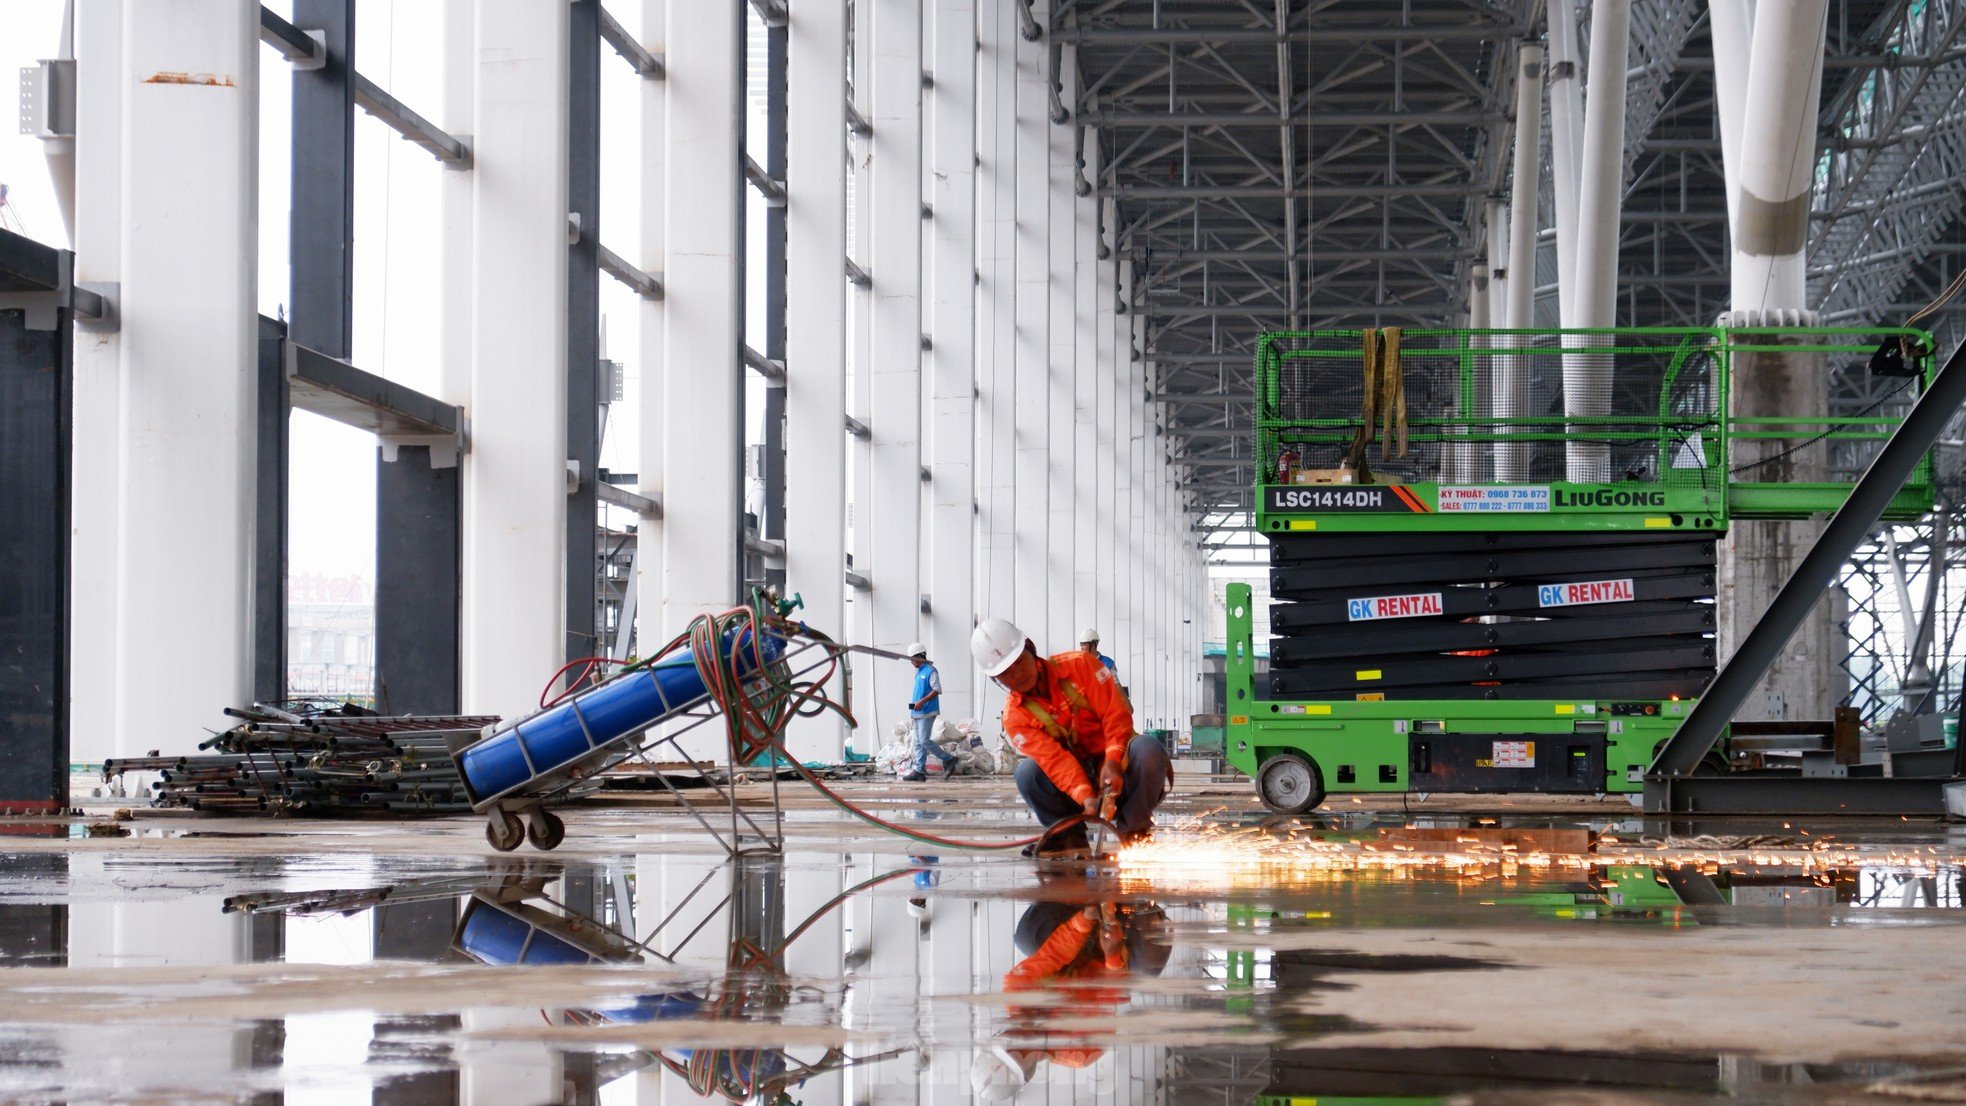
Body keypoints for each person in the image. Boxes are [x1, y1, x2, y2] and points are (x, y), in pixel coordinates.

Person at [970, 618, 1171, 855]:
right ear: (997, 680)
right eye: (1006, 674)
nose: (1018, 675)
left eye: (1019, 662)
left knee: (1147, 750)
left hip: (1121, 768)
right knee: (1027, 774)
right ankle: (1068, 838)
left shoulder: (1081, 666)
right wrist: (1086, 797)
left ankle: (1135, 833)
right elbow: (1055, 762)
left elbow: (1115, 715)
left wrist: (1114, 760)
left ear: (1030, 650)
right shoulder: (1016, 717)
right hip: (1076, 785)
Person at [899, 642, 956, 782]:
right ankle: (919, 770)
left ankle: (949, 759)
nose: (911, 662)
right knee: (918, 742)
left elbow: (936, 689)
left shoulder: (931, 671)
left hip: (927, 711)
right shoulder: (918, 672)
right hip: (917, 712)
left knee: (924, 740)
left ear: (919, 657)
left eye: (912, 659)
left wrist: (922, 702)